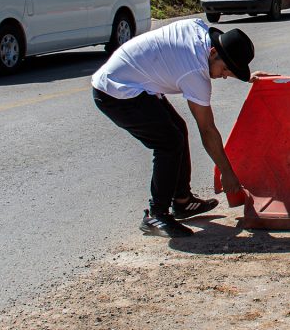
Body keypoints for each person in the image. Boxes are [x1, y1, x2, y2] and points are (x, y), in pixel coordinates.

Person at [92, 19, 263, 238]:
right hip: (115, 91)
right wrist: (227, 173)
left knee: (178, 130)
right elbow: (207, 130)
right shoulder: (194, 71)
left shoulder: (199, 30)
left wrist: (246, 76)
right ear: (212, 52)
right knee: (169, 142)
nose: (224, 76)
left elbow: (200, 56)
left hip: (134, 78)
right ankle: (156, 215)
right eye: (225, 70)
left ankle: (182, 201)